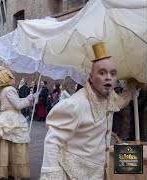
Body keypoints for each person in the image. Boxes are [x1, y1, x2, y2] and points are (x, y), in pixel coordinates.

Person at [39, 42, 138, 180]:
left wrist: (131, 89)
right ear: (90, 77)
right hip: (73, 173)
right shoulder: (75, 104)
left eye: (113, 73)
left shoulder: (111, 98)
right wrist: (52, 174)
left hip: (98, 172)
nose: (108, 77)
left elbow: (121, 102)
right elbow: (53, 141)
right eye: (102, 72)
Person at [0, 67, 38, 180]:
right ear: (8, 78)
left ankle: (8, 169)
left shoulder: (5, 89)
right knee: (16, 145)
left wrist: (27, 98)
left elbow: (14, 102)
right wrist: (29, 99)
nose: (14, 78)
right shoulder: (10, 89)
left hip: (6, 116)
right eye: (11, 76)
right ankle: (14, 170)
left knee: (7, 145)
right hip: (12, 118)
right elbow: (17, 105)